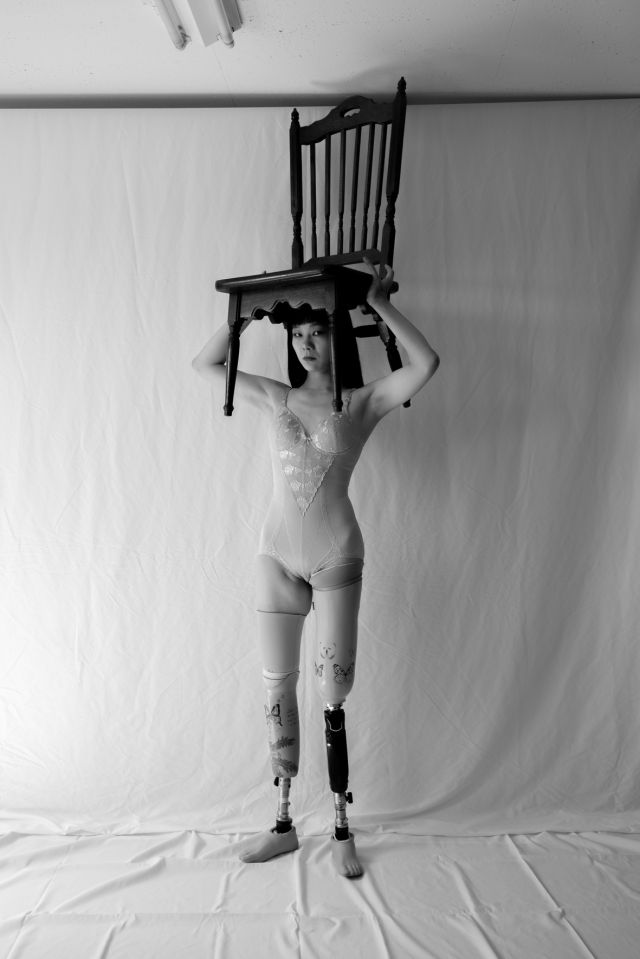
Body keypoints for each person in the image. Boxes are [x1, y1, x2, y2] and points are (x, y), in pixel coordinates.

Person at [192, 259, 439, 878]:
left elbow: (425, 364)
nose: (305, 343)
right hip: (274, 557)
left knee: (333, 694)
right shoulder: (273, 395)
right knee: (276, 689)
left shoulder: (363, 401)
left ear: (338, 333)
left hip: (337, 557)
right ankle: (282, 824)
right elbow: (205, 365)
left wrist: (378, 303)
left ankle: (341, 826)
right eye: (297, 334)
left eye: (318, 331)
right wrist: (242, 318)